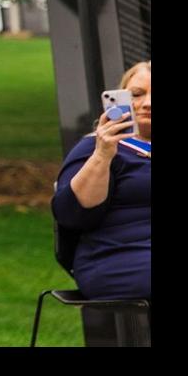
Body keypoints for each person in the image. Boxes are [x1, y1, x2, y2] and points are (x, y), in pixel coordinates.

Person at [52, 61, 151, 301]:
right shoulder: (96, 147)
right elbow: (72, 215)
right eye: (137, 94)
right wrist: (103, 155)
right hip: (117, 258)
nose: (147, 103)